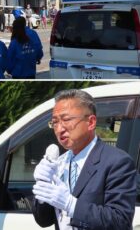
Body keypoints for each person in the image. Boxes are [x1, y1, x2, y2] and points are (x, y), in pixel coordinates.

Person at [32, 89, 137, 230]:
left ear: (91, 122)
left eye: (66, 120)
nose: (59, 129)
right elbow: (43, 220)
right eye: (55, 122)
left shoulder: (118, 162)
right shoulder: (59, 163)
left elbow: (120, 222)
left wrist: (71, 205)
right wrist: (43, 188)